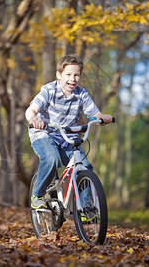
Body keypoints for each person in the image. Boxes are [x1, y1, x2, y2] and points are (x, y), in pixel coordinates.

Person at [25, 54, 113, 209]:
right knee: (52, 158)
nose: (72, 79)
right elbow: (31, 110)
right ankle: (37, 195)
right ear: (59, 75)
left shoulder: (81, 94)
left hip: (68, 137)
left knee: (85, 167)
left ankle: (86, 207)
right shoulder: (49, 90)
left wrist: (101, 118)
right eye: (68, 74)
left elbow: (94, 114)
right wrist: (34, 120)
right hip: (44, 134)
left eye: (76, 75)